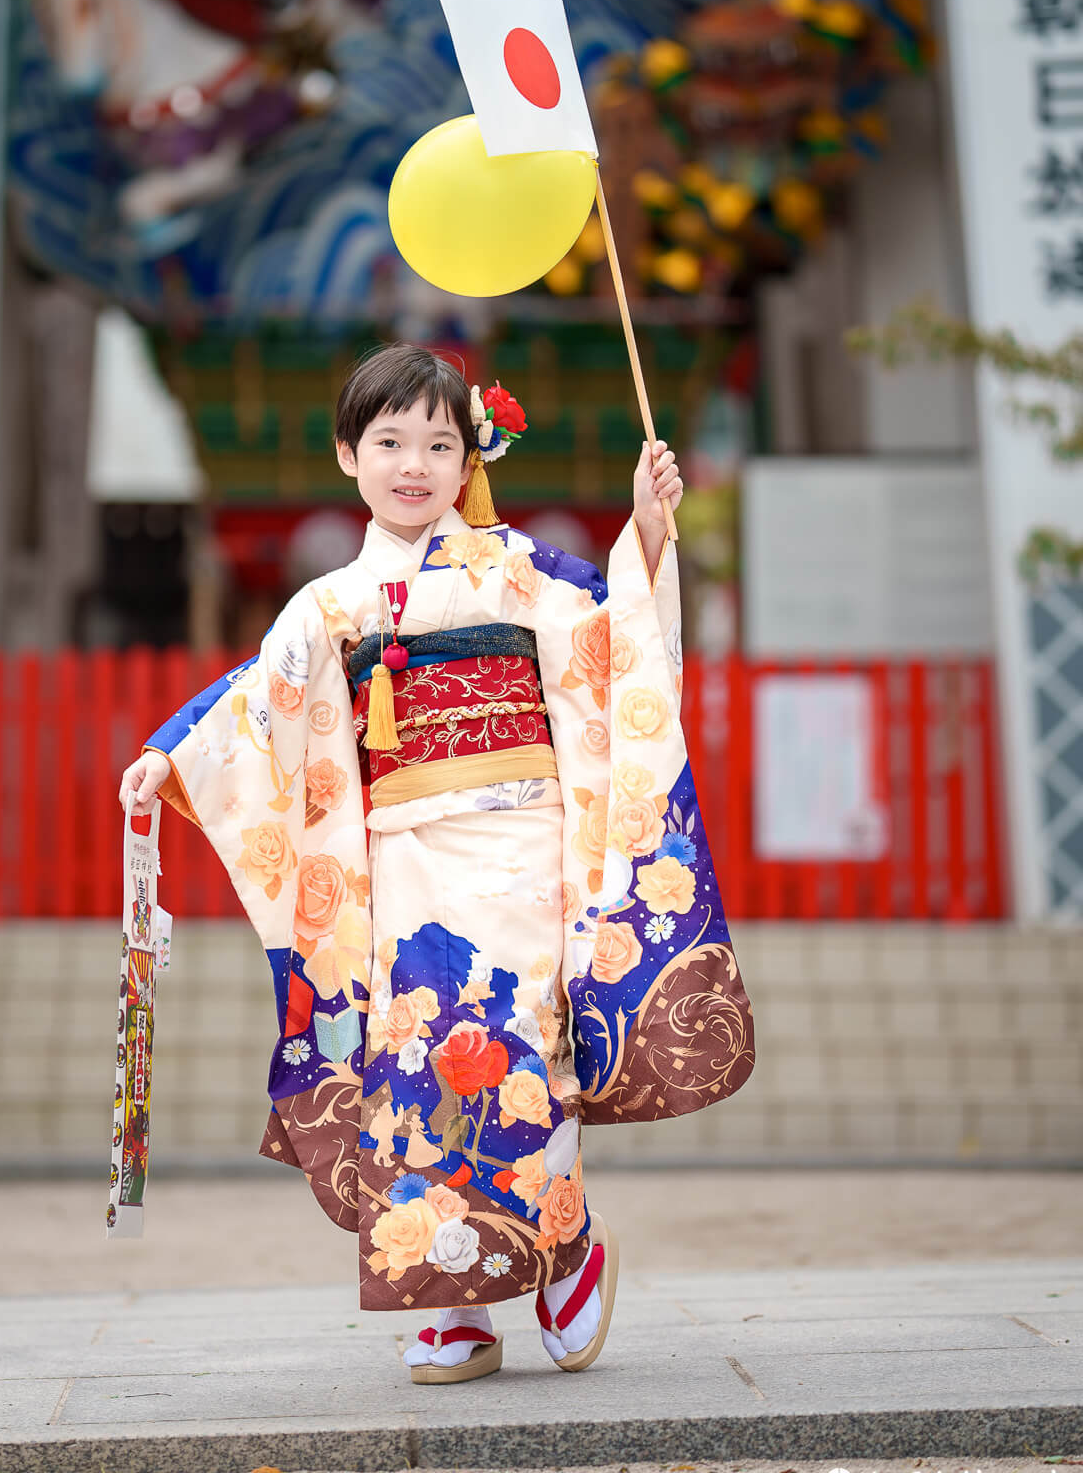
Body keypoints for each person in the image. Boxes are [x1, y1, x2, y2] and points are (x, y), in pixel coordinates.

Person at [119, 343, 753, 1384]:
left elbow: (613, 643)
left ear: (470, 459)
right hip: (397, 859)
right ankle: (449, 1297)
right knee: (411, 1057)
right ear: (346, 453)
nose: (413, 463)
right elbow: (251, 695)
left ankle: (563, 1241)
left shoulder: (522, 571)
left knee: (517, 1035)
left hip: (519, 841)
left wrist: (645, 527)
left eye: (437, 444)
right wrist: (161, 753)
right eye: (389, 442)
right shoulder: (330, 604)